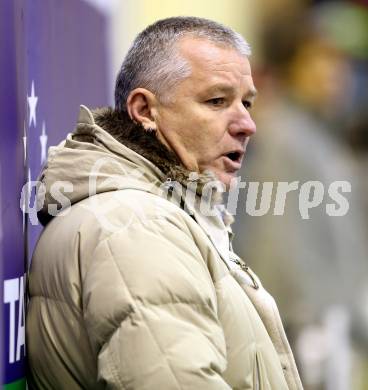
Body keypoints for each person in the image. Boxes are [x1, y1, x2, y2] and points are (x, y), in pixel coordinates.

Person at [26, 17, 303, 389]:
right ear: (144, 110)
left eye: (247, 103)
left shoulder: (154, 213)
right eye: (217, 100)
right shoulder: (137, 226)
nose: (247, 124)